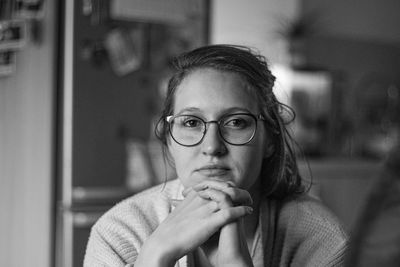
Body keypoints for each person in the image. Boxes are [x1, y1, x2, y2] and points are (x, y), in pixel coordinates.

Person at [84, 44, 348, 267]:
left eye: (235, 123)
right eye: (191, 122)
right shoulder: (119, 234)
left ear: (269, 139)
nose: (212, 146)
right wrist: (153, 257)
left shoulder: (322, 240)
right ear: (168, 139)